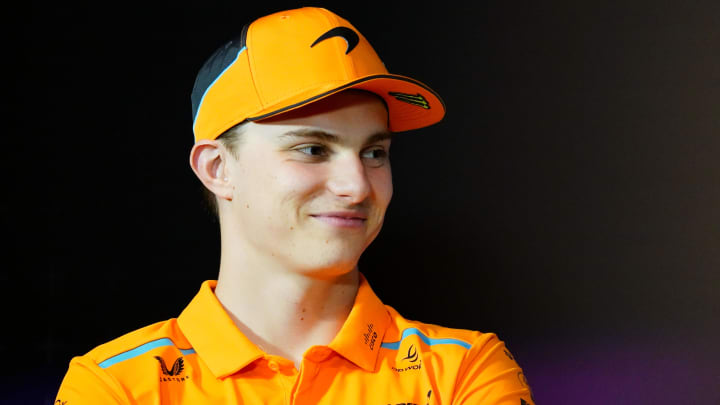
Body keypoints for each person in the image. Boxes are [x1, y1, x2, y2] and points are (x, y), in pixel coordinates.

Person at [55, 7, 535, 404]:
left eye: (374, 153)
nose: (357, 186)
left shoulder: (464, 372)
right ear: (218, 169)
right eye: (313, 148)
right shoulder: (114, 386)